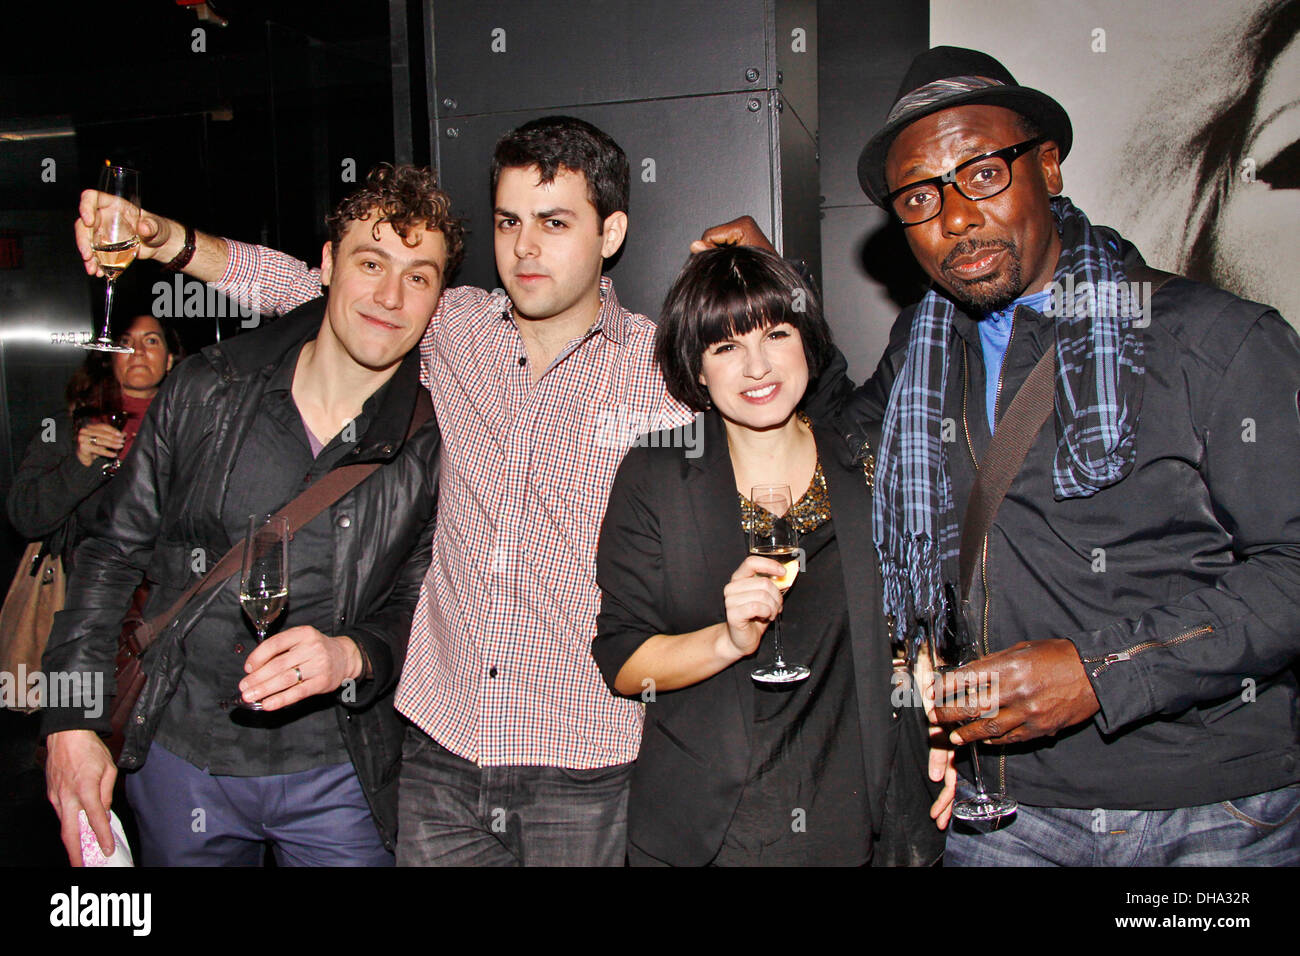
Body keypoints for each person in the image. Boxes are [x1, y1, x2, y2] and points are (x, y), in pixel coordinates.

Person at [76, 117, 696, 866]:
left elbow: (782, 408)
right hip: (436, 752)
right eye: (509, 221)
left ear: (611, 232)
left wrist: (760, 276)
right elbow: (306, 285)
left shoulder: (662, 372)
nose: (525, 247)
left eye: (554, 223)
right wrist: (165, 239)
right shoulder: (453, 326)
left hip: (581, 760)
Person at [845, 46, 1300, 864]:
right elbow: (834, 445)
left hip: (1210, 810)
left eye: (983, 173)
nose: (955, 217)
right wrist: (770, 293)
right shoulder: (920, 349)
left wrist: (1101, 670)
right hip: (1006, 812)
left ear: (1048, 167)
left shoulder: (1218, 338)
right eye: (919, 197)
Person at [44, 163, 453, 866]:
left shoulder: (432, 440)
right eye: (371, 262)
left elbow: (416, 605)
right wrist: (69, 720)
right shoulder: (208, 390)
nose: (391, 296)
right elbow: (109, 555)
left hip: (341, 773)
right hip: (181, 755)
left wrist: (352, 654)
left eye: (419, 276)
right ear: (327, 266)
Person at [592, 246, 946, 866]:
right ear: (697, 368)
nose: (757, 366)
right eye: (726, 346)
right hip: (710, 831)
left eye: (776, 334)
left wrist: (935, 722)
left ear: (807, 341)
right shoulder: (656, 474)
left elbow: (918, 617)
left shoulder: (866, 457)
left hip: (853, 818)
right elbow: (624, 662)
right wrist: (727, 640)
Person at [8, 313, 181, 575]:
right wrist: (80, 464)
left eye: (151, 341)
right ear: (111, 358)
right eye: (125, 342)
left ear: (169, 359)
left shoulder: (191, 426)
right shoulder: (68, 428)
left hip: (173, 587)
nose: (137, 351)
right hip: (91, 587)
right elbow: (25, 516)